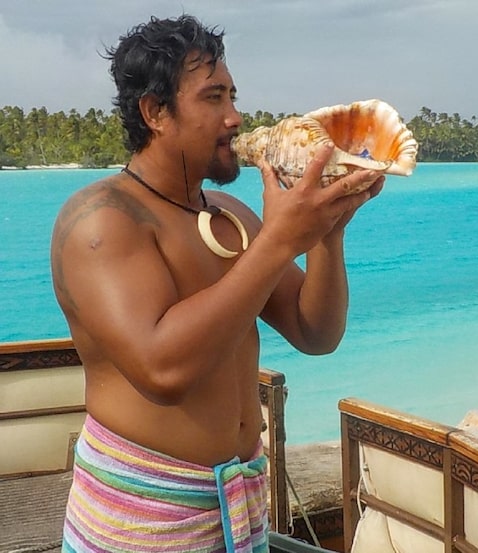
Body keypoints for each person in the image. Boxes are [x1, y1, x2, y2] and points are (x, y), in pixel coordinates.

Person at [50, 14, 383, 553]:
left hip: (238, 508)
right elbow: (163, 369)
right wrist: (278, 241)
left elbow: (315, 331)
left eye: (233, 95)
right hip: (144, 518)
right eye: (213, 98)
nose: (235, 117)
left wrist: (326, 233)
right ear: (155, 113)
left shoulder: (229, 214)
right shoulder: (102, 220)